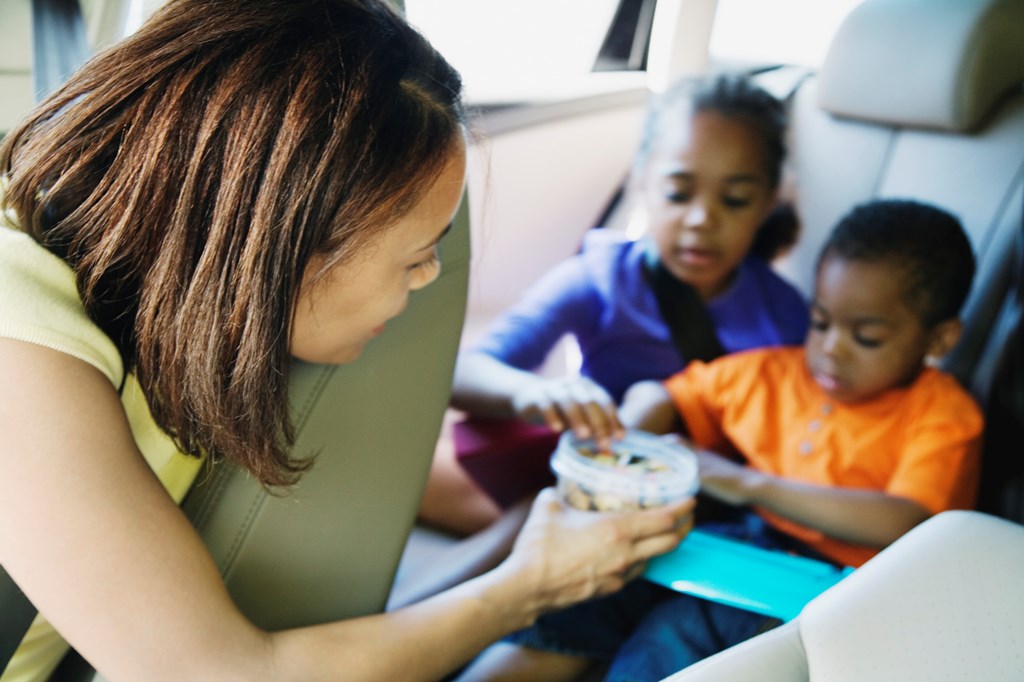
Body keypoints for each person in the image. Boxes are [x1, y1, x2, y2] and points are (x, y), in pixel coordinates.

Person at [0, 2, 695, 680]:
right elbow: (224, 672)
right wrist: (526, 587)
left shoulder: (157, 308)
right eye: (416, 255)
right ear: (285, 243)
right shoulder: (19, 356)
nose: (428, 277)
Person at [458, 198, 984, 681]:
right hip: (739, 543)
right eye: (820, 322)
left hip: (839, 586)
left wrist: (746, 483)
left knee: (676, 634)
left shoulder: (942, 414)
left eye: (866, 337)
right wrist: (629, 430)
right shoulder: (775, 373)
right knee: (588, 592)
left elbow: (906, 520)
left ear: (939, 339)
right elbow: (668, 395)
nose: (830, 350)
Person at [421, 73, 810, 536]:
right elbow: (464, 372)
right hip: (586, 476)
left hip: (706, 501)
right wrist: (537, 393)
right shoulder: (601, 279)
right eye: (678, 193)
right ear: (642, 181)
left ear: (768, 202)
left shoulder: (785, 314)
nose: (703, 219)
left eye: (735, 199)